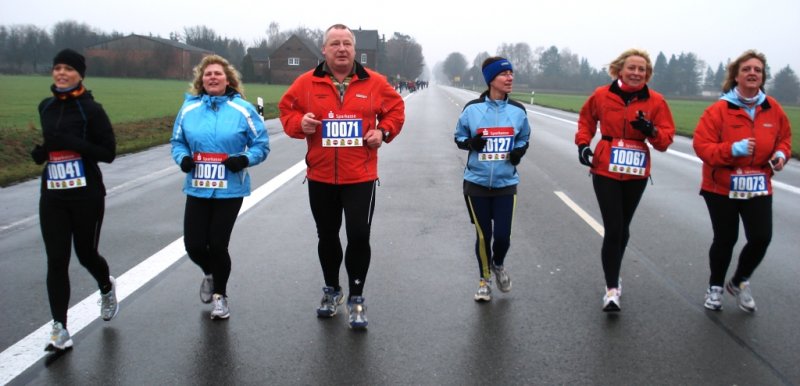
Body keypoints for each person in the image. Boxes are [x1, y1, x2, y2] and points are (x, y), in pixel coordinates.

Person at [278, 24, 405, 329]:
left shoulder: (374, 82)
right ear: (324, 50)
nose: (341, 49)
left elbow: (396, 109)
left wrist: (383, 131)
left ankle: (357, 297)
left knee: (359, 236)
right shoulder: (306, 82)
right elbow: (286, 110)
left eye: (347, 43)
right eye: (335, 43)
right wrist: (300, 123)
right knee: (327, 236)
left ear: (354, 48)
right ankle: (332, 290)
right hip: (321, 175)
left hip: (360, 175)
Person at [30, 49, 119, 351]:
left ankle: (106, 286)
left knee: (85, 254)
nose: (61, 73)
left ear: (80, 74)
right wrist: (42, 153)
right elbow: (51, 146)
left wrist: (72, 144)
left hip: (86, 194)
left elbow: (108, 152)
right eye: (57, 68)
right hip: (53, 195)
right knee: (56, 260)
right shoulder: (46, 107)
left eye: (68, 68)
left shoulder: (91, 110)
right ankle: (60, 328)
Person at [574, 49, 675, 312]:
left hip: (636, 171)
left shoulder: (656, 101)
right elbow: (586, 121)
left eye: (642, 69)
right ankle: (611, 289)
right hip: (605, 168)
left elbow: (665, 140)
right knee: (614, 227)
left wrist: (650, 130)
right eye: (632, 68)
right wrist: (583, 145)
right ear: (620, 70)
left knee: (624, 227)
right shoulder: (601, 95)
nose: (636, 73)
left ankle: (614, 273)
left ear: (647, 74)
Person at [170, 55, 269, 320]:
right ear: (201, 80)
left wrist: (244, 159)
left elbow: (261, 145)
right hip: (197, 187)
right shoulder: (189, 110)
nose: (212, 77)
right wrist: (184, 159)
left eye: (218, 74)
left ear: (228, 79)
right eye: (208, 74)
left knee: (217, 244)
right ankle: (210, 273)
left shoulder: (243, 110)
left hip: (230, 189)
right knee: (193, 245)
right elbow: (177, 142)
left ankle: (220, 298)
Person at [692, 50, 791, 313]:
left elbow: (784, 138)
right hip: (721, 186)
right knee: (725, 238)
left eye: (757, 70)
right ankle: (714, 288)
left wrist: (781, 155)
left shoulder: (773, 109)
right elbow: (702, 147)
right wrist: (731, 150)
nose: (752, 73)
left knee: (761, 237)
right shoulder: (718, 110)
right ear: (736, 76)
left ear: (762, 77)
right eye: (746, 69)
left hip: (758, 184)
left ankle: (739, 281)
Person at [454, 57, 531, 302]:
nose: (509, 78)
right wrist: (470, 144)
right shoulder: (472, 109)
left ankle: (498, 264)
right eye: (503, 74)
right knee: (483, 234)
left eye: (511, 73)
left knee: (503, 236)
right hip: (475, 183)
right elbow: (459, 137)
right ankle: (484, 280)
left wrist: (519, 152)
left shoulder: (518, 111)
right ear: (491, 80)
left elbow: (524, 138)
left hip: (506, 184)